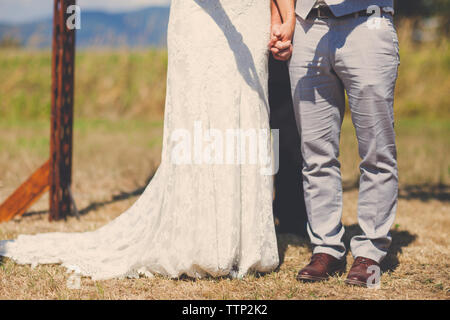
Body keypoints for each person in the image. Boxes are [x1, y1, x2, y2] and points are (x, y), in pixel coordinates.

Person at [0, 0, 297, 281]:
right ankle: (201, 241)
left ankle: (247, 244)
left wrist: (285, 16)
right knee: (199, 120)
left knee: (247, 115)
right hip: (200, 18)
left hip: (250, 16)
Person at [269, 0, 399, 287]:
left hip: (366, 20)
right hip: (306, 25)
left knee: (377, 150)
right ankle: (326, 246)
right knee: (315, 152)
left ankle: (370, 250)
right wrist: (282, 19)